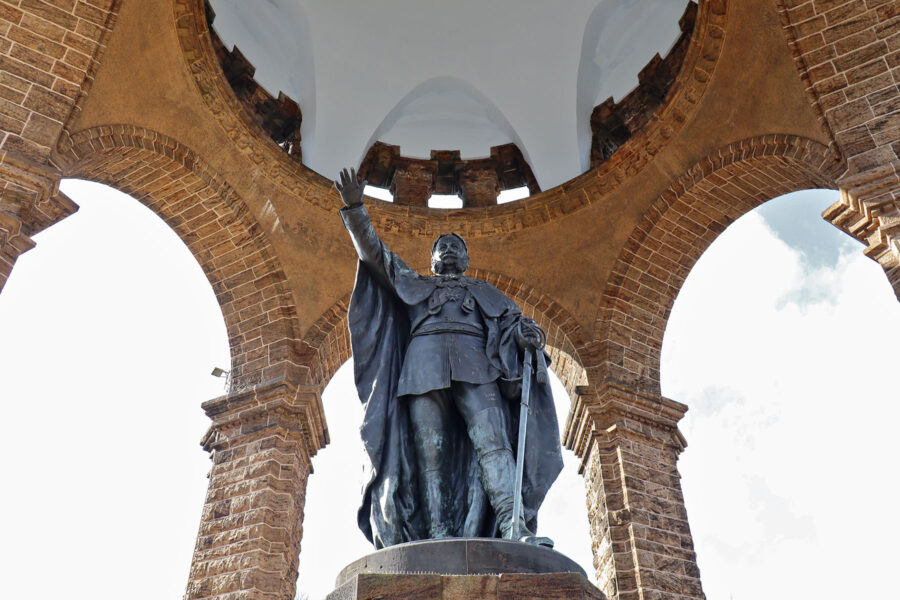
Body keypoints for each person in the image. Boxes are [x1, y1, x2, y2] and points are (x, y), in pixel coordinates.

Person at [336, 167, 562, 549]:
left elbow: (516, 325)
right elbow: (376, 255)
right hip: (422, 370)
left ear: (468, 259)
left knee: (495, 445)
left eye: (458, 244)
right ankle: (436, 537)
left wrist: (529, 335)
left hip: (479, 368)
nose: (451, 247)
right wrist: (357, 210)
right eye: (443, 244)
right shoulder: (414, 284)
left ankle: (513, 526)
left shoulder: (486, 291)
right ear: (433, 259)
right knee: (430, 457)